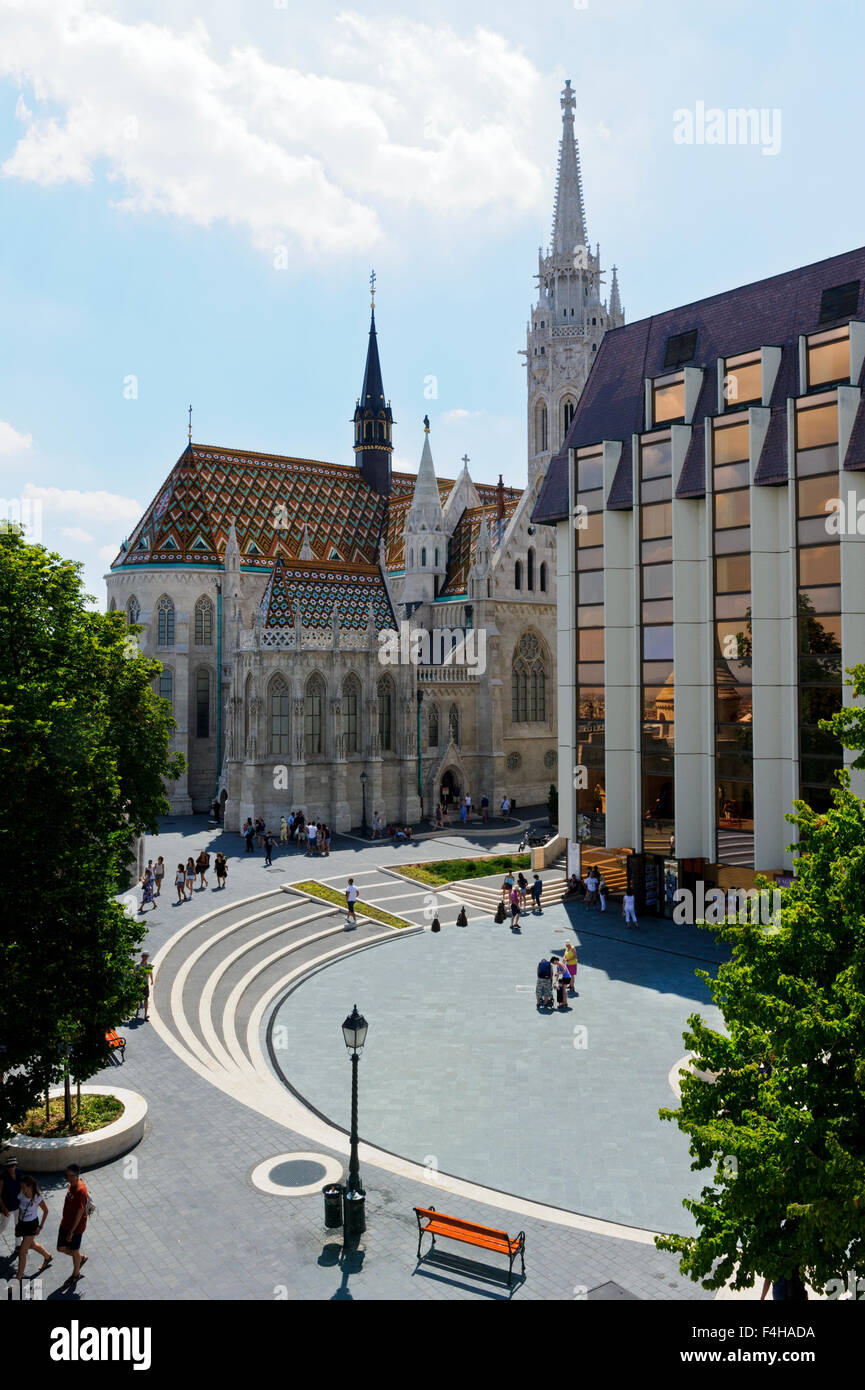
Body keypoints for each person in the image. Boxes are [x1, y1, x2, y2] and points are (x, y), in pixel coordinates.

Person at [57, 1164, 89, 1288]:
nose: (66, 1178)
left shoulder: (81, 1191)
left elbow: (80, 1213)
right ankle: (80, 1258)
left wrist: (72, 1231)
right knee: (60, 1247)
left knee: (74, 1249)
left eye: (68, 1176)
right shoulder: (73, 1184)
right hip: (65, 1223)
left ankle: (76, 1274)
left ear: (75, 1176)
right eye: (66, 1175)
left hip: (75, 1228)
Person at [14, 1175, 52, 1280]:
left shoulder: (37, 1197)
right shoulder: (21, 1194)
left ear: (30, 1186)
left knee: (22, 1252)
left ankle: (18, 1278)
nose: (22, 1189)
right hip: (23, 1224)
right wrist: (19, 1222)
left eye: (24, 1187)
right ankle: (48, 1257)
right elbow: (20, 1209)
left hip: (32, 1225)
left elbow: (46, 1211)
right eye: (21, 1187)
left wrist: (40, 1227)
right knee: (31, 1244)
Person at [0, 1156, 22, 1254]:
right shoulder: (3, 1177)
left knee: (18, 1225)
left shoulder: (19, 1173)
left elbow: (22, 1187)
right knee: (3, 1226)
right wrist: (3, 1207)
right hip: (7, 1206)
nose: (12, 1168)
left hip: (18, 1204)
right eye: (9, 1166)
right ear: (7, 1167)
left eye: (13, 1165)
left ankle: (18, 1245)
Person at [136, 952, 154, 1021]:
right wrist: (138, 976)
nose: (146, 958)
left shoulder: (149, 965)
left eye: (147, 956)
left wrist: (152, 980)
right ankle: (137, 1011)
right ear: (142, 957)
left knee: (146, 999)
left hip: (146, 984)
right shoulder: (137, 965)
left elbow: (150, 972)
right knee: (138, 998)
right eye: (145, 956)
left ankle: (145, 1014)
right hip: (138, 984)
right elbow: (134, 974)